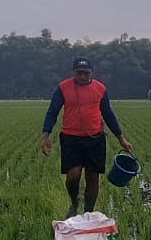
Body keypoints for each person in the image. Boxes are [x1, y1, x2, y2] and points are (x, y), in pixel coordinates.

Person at [41, 56, 132, 214]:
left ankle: (89, 213)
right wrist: (45, 135)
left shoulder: (100, 89)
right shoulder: (63, 88)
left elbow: (108, 114)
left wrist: (121, 139)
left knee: (93, 177)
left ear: (91, 73)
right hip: (71, 138)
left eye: (86, 73)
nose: (82, 76)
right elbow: (52, 111)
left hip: (95, 139)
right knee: (73, 175)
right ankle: (74, 202)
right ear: (73, 72)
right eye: (79, 73)